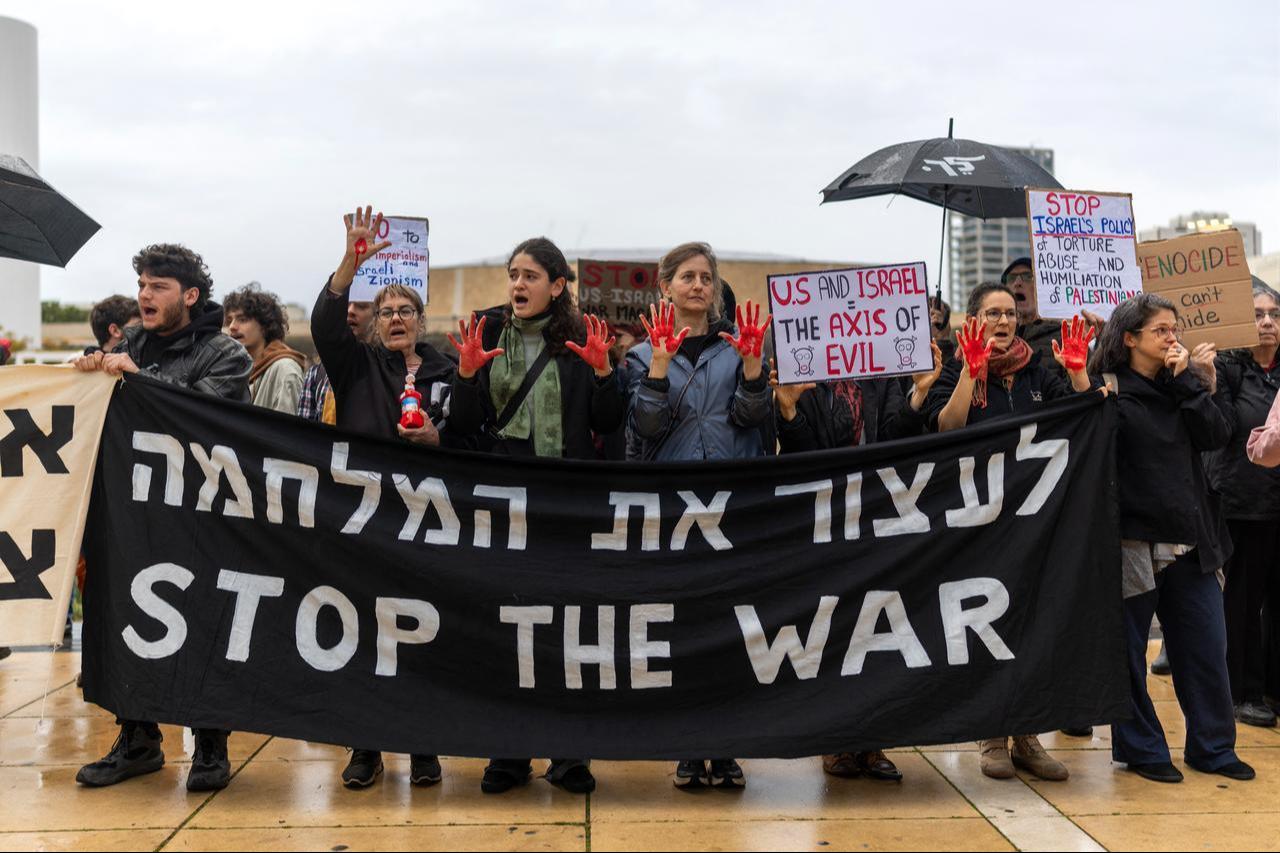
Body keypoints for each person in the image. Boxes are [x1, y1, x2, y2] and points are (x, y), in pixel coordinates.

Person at [447, 237, 624, 796]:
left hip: (565, 503)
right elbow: (463, 429)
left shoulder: (580, 338)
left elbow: (607, 420)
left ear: (557, 284)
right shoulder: (487, 332)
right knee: (508, 627)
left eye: (529, 275)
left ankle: (570, 755)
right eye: (512, 274)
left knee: (568, 630)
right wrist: (468, 375)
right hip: (504, 503)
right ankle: (509, 751)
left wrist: (602, 373)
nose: (517, 285)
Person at [73, 243, 252, 792]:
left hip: (200, 517)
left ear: (190, 296)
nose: (145, 295)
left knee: (203, 623)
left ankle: (210, 747)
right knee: (129, 623)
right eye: (142, 285)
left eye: (159, 287)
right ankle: (138, 739)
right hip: (134, 516)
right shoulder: (131, 343)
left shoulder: (227, 353)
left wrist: (138, 379)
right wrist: (88, 377)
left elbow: (206, 417)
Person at [312, 206, 459, 789]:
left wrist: (437, 436)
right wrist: (353, 259)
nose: (396, 318)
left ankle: (424, 746)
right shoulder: (356, 367)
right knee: (365, 635)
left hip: (427, 523)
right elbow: (326, 323)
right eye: (386, 312)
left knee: (422, 636)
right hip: (365, 519)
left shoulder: (451, 369)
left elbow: (471, 432)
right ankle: (366, 747)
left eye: (406, 311)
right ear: (373, 324)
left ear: (421, 320)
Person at [927, 283, 1096, 782]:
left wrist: (1080, 372)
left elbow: (1083, 420)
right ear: (972, 321)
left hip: (1034, 521)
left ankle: (1027, 735)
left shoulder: (1040, 369)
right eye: (992, 313)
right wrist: (970, 375)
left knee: (1031, 622)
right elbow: (945, 428)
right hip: (977, 521)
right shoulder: (957, 368)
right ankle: (991, 734)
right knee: (985, 624)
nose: (1003, 321)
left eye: (1009, 313)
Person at [622, 241, 772, 789]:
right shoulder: (640, 356)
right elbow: (644, 429)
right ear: (665, 286)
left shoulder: (737, 349)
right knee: (682, 627)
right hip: (675, 506)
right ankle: (689, 744)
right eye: (686, 276)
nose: (697, 285)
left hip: (730, 504)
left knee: (732, 625)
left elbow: (749, 416)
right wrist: (659, 366)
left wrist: (754, 369)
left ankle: (727, 744)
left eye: (705, 277)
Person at [1090, 292, 1254, 784]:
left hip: (1190, 541)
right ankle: (1141, 748)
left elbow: (1216, 435)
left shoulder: (1186, 384)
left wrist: (1191, 383)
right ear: (1130, 338)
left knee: (1206, 646)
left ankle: (1212, 747)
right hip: (1132, 542)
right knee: (1129, 655)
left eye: (1174, 328)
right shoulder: (1107, 389)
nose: (1172, 337)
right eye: (1161, 330)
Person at [769, 344, 942, 784]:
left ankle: (873, 740)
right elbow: (801, 452)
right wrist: (788, 411)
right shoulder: (803, 375)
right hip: (825, 520)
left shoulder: (881, 378)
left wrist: (917, 396)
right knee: (831, 630)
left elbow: (896, 437)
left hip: (877, 514)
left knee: (876, 630)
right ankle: (835, 739)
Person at [1207, 281, 1280, 728]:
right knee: (1243, 600)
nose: (1268, 322)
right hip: (1242, 501)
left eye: (1274, 313)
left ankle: (1273, 688)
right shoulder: (1229, 368)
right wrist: (1210, 383)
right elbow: (1220, 430)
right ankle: (1243, 691)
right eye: (1257, 314)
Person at [224, 283, 306, 414]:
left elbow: (285, 431)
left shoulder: (285, 370)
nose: (232, 327)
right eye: (229, 321)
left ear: (265, 325)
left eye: (242, 319)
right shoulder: (234, 370)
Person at [298, 300, 374, 424]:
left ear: (377, 316)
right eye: (344, 305)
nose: (350, 311)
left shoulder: (387, 371)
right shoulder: (316, 375)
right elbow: (304, 436)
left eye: (361, 306)